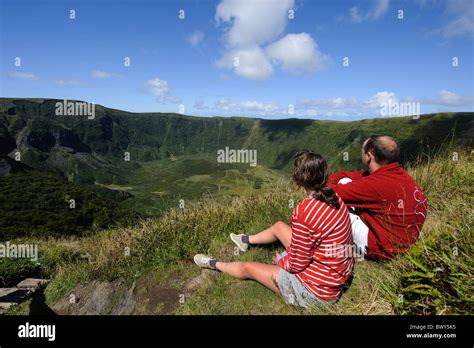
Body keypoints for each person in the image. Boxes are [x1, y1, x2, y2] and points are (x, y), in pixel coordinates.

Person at [194, 151, 354, 308]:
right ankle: (244, 240)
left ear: (298, 180)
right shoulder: (334, 197)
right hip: (335, 276)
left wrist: (281, 261)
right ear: (325, 174)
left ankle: (213, 264)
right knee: (279, 227)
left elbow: (297, 265)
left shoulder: (303, 212)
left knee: (247, 268)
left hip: (316, 292)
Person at [328, 135, 428, 261]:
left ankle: (321, 243)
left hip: (383, 250)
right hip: (403, 244)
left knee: (333, 203)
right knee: (346, 181)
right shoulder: (400, 176)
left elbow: (329, 192)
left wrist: (324, 182)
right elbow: (356, 176)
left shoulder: (374, 185)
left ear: (370, 155)